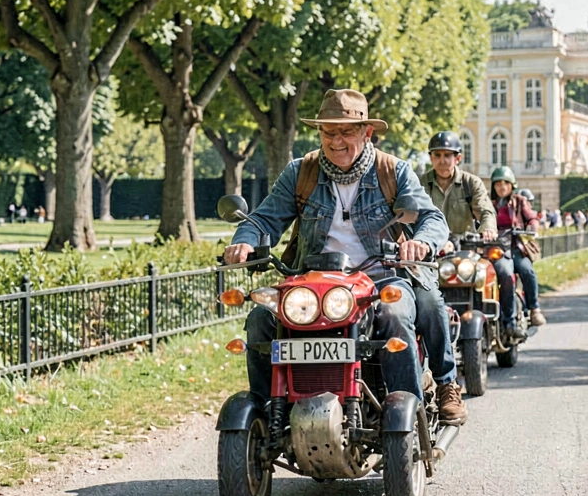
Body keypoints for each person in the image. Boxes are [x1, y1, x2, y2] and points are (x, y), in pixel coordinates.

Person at [223, 89, 464, 424]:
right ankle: (267, 416)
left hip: (381, 278)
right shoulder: (300, 172)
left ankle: (409, 415)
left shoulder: (393, 171)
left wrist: (420, 242)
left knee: (397, 314)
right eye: (328, 131)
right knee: (262, 320)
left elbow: (432, 218)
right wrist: (245, 241)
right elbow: (264, 219)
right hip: (313, 285)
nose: (336, 140)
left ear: (367, 133)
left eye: (346, 131)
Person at [491, 166, 545, 333]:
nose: (502, 187)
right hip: (497, 249)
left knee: (527, 270)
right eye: (498, 183)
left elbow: (532, 218)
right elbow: (479, 221)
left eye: (505, 183)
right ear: (493, 186)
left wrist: (532, 228)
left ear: (511, 185)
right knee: (505, 276)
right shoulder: (488, 204)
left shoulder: (520, 201)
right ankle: (508, 320)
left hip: (516, 247)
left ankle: (534, 308)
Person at [421, 131, 497, 248]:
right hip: (430, 247)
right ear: (431, 157)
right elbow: (411, 214)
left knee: (493, 266)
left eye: (447, 155)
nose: (442, 161)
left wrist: (488, 229)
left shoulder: (471, 182)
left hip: (464, 247)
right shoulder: (421, 184)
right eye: (437, 155)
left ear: (458, 158)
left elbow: (485, 211)